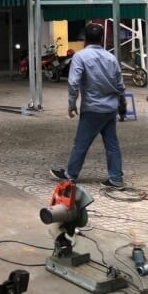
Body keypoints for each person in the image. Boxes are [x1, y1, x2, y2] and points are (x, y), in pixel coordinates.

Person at [50, 22, 127, 189]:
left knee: (81, 143)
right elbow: (120, 85)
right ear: (101, 38)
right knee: (112, 144)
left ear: (85, 38)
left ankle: (71, 175)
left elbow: (73, 83)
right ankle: (116, 178)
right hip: (110, 108)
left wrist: (72, 105)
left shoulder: (80, 57)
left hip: (92, 108)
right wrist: (122, 105)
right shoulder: (111, 58)